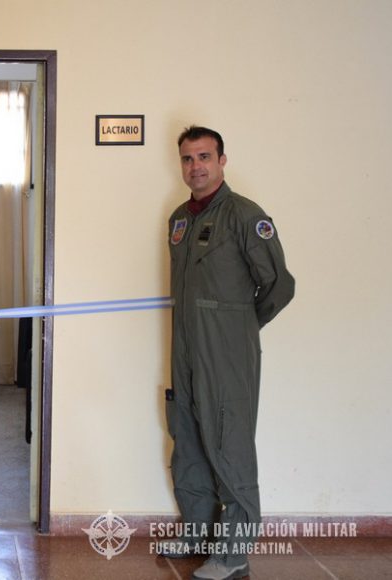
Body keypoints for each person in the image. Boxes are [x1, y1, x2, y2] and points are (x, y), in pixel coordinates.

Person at [162, 127, 295, 580]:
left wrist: (238, 325)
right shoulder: (179, 218)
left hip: (227, 353)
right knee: (190, 438)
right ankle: (198, 534)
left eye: (204, 156)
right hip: (184, 347)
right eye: (187, 158)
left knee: (229, 442)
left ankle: (234, 552)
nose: (195, 166)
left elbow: (280, 285)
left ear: (222, 160)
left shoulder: (245, 215)